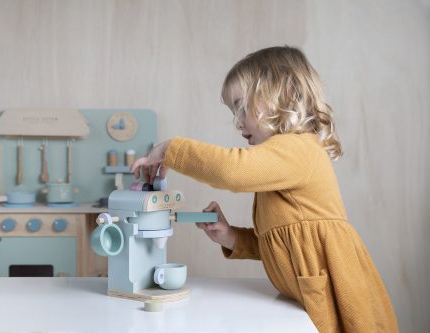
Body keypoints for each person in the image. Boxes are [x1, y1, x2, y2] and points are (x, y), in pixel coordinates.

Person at [130, 46, 398, 333]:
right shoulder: (281, 163)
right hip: (309, 299)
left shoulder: (298, 148)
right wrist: (231, 236)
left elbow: (230, 171)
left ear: (280, 96)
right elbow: (283, 244)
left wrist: (172, 149)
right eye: (234, 111)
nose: (237, 121)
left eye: (242, 107)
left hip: (339, 297)